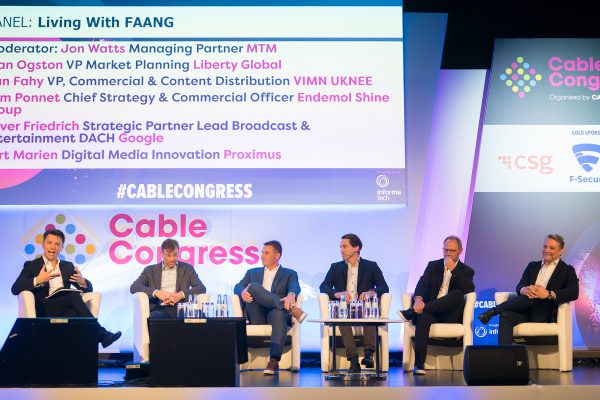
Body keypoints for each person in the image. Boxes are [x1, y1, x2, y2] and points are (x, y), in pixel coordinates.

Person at [11, 229, 121, 348]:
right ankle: (101, 334)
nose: (53, 247)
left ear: (62, 248)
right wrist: (38, 280)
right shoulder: (32, 265)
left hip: (64, 308)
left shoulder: (67, 266)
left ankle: (76, 355)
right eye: (49, 243)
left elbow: (87, 290)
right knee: (72, 295)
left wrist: (82, 281)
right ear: (43, 244)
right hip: (44, 308)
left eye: (57, 244)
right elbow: (15, 288)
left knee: (73, 312)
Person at [479, 234, 579, 344]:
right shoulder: (532, 266)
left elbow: (574, 292)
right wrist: (524, 290)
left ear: (561, 251)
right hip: (526, 311)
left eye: (551, 248)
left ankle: (493, 311)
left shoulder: (567, 270)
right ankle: (505, 357)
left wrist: (548, 294)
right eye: (545, 247)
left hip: (545, 313)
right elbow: (520, 285)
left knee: (533, 296)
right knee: (506, 315)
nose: (547, 250)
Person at [397, 235, 475, 375]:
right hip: (432, 312)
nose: (448, 253)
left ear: (460, 251)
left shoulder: (466, 270)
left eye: (452, 250)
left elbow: (470, 289)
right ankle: (419, 364)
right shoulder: (433, 266)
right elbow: (422, 283)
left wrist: (454, 270)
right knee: (423, 317)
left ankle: (411, 312)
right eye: (446, 250)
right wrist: (418, 300)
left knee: (458, 293)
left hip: (450, 314)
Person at [233, 240, 307, 375]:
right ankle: (290, 309)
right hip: (257, 313)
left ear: (277, 255)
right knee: (253, 285)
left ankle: (273, 361)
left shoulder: (289, 273)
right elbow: (237, 287)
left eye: (266, 253)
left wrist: (291, 294)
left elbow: (295, 286)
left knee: (279, 314)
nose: (262, 255)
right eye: (262, 252)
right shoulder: (252, 272)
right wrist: (242, 292)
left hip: (275, 314)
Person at [319, 233, 389, 373]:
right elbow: (324, 286)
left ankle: (369, 355)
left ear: (356, 248)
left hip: (362, 307)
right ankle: (353, 361)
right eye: (340, 246)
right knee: (342, 317)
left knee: (369, 315)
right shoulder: (336, 267)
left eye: (344, 246)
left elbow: (384, 287)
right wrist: (337, 294)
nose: (341, 250)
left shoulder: (371, 266)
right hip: (344, 307)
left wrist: (371, 292)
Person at [130, 238, 206, 317]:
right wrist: (157, 292)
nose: (172, 259)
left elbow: (201, 288)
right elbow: (134, 287)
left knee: (200, 316)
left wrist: (180, 295)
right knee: (156, 317)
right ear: (161, 254)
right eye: (169, 255)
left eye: (175, 255)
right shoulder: (150, 270)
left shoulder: (187, 268)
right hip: (159, 308)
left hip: (181, 308)